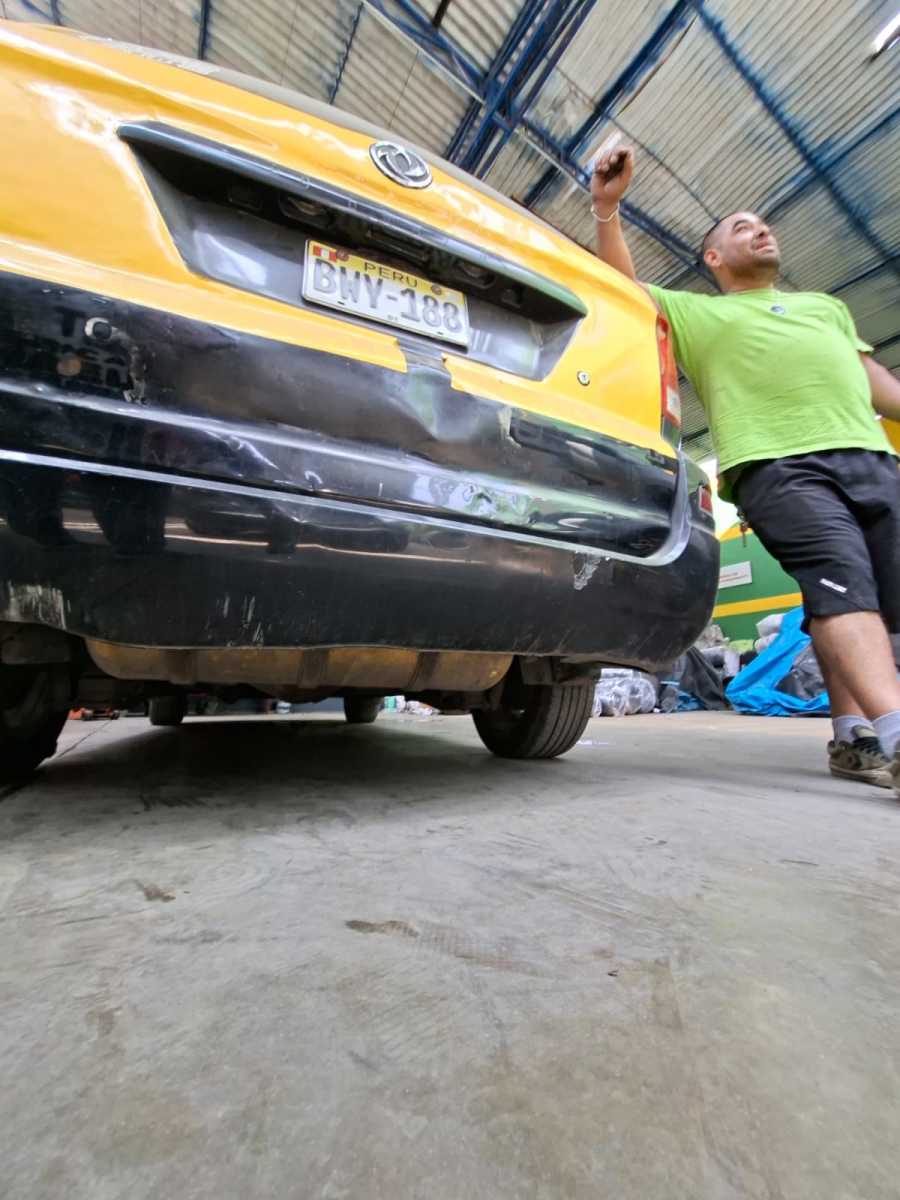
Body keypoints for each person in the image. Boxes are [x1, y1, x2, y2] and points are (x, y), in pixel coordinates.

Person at [590, 144, 900, 792]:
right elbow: (622, 290)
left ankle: (853, 737)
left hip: (871, 457)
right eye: (742, 227)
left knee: (859, 597)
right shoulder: (699, 313)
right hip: (777, 465)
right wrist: (606, 209)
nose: (761, 229)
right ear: (714, 257)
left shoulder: (826, 308)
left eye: (764, 224)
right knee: (842, 582)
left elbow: (873, 378)